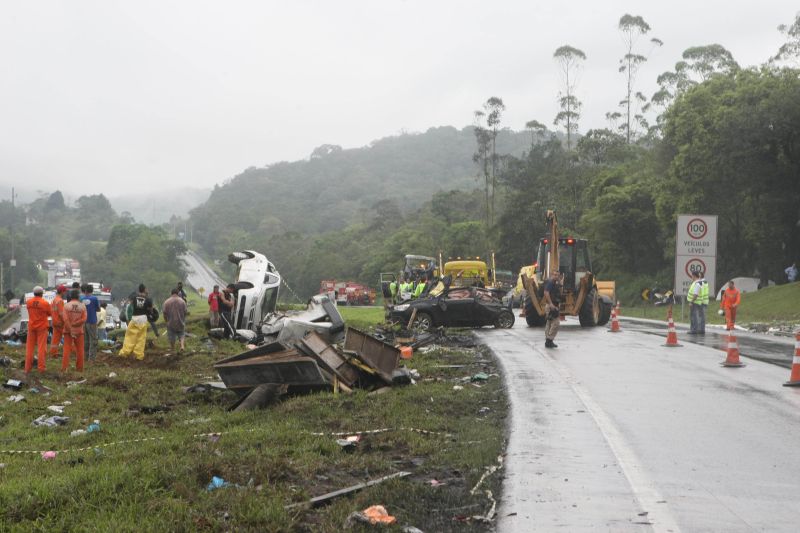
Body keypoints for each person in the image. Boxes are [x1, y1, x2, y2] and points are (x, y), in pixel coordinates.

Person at [119, 284, 153, 360]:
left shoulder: (134, 297)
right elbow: (151, 310)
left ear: (139, 290)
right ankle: (138, 355)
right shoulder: (148, 299)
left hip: (134, 318)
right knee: (141, 338)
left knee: (129, 336)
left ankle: (125, 352)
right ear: (144, 289)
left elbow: (130, 305)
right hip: (143, 318)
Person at [24, 286, 52, 373]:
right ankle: (41, 368)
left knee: (29, 348)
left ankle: (27, 368)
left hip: (31, 327)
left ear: (34, 293)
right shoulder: (45, 303)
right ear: (42, 293)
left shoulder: (28, 302)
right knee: (41, 348)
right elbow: (50, 313)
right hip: (42, 327)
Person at [61, 289, 87, 372]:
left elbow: (65, 319)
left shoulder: (66, 306)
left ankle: (64, 368)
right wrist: (76, 324)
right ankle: (79, 369)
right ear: (78, 297)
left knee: (66, 350)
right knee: (80, 351)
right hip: (79, 331)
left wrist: (70, 327)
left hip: (68, 331)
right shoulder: (83, 306)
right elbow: (84, 319)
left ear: (70, 296)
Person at [163, 288, 188, 352]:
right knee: (181, 334)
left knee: (171, 336)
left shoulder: (166, 302)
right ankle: (182, 346)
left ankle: (172, 348)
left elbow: (164, 313)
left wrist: (166, 321)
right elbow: (185, 312)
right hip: (180, 321)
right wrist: (183, 319)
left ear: (171, 293)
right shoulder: (182, 301)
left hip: (171, 322)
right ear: (178, 293)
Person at [81, 284, 100, 360]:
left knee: (85, 340)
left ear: (85, 291)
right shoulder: (94, 298)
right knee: (93, 340)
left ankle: (84, 357)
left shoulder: (81, 298)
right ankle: (91, 358)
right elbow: (98, 309)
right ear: (92, 291)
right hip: (92, 322)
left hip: (83, 322)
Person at [543, 271, 562, 348]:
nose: (556, 276)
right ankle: (549, 340)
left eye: (557, 275)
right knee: (556, 323)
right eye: (555, 275)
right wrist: (551, 304)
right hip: (551, 306)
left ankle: (548, 341)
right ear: (552, 275)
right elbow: (546, 292)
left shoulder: (555, 283)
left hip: (553, 305)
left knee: (549, 323)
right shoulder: (550, 283)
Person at [48, 285, 67, 358]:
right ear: (62, 291)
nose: (65, 293)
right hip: (60, 322)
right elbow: (61, 313)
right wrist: (66, 322)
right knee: (68, 336)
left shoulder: (54, 300)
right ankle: (71, 352)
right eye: (65, 291)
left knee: (55, 339)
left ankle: (53, 353)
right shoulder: (60, 301)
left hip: (55, 322)